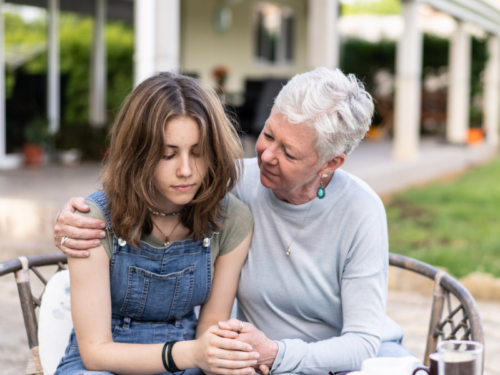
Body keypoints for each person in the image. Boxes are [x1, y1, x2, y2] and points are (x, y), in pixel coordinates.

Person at [54, 68, 413, 375]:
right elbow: (137, 187)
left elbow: (363, 342)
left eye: (289, 152)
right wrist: (68, 220)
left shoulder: (360, 210)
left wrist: (275, 354)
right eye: (268, 135)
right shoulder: (233, 183)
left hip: (338, 360)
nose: (267, 156)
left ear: (330, 164)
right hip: (241, 359)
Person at [53, 72, 262, 375]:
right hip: (105, 364)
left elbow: (209, 325)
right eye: (168, 154)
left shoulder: (231, 219)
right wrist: (191, 354)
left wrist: (223, 358)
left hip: (188, 359)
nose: (187, 170)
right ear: (137, 154)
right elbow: (95, 352)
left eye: (199, 152)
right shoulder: (92, 221)